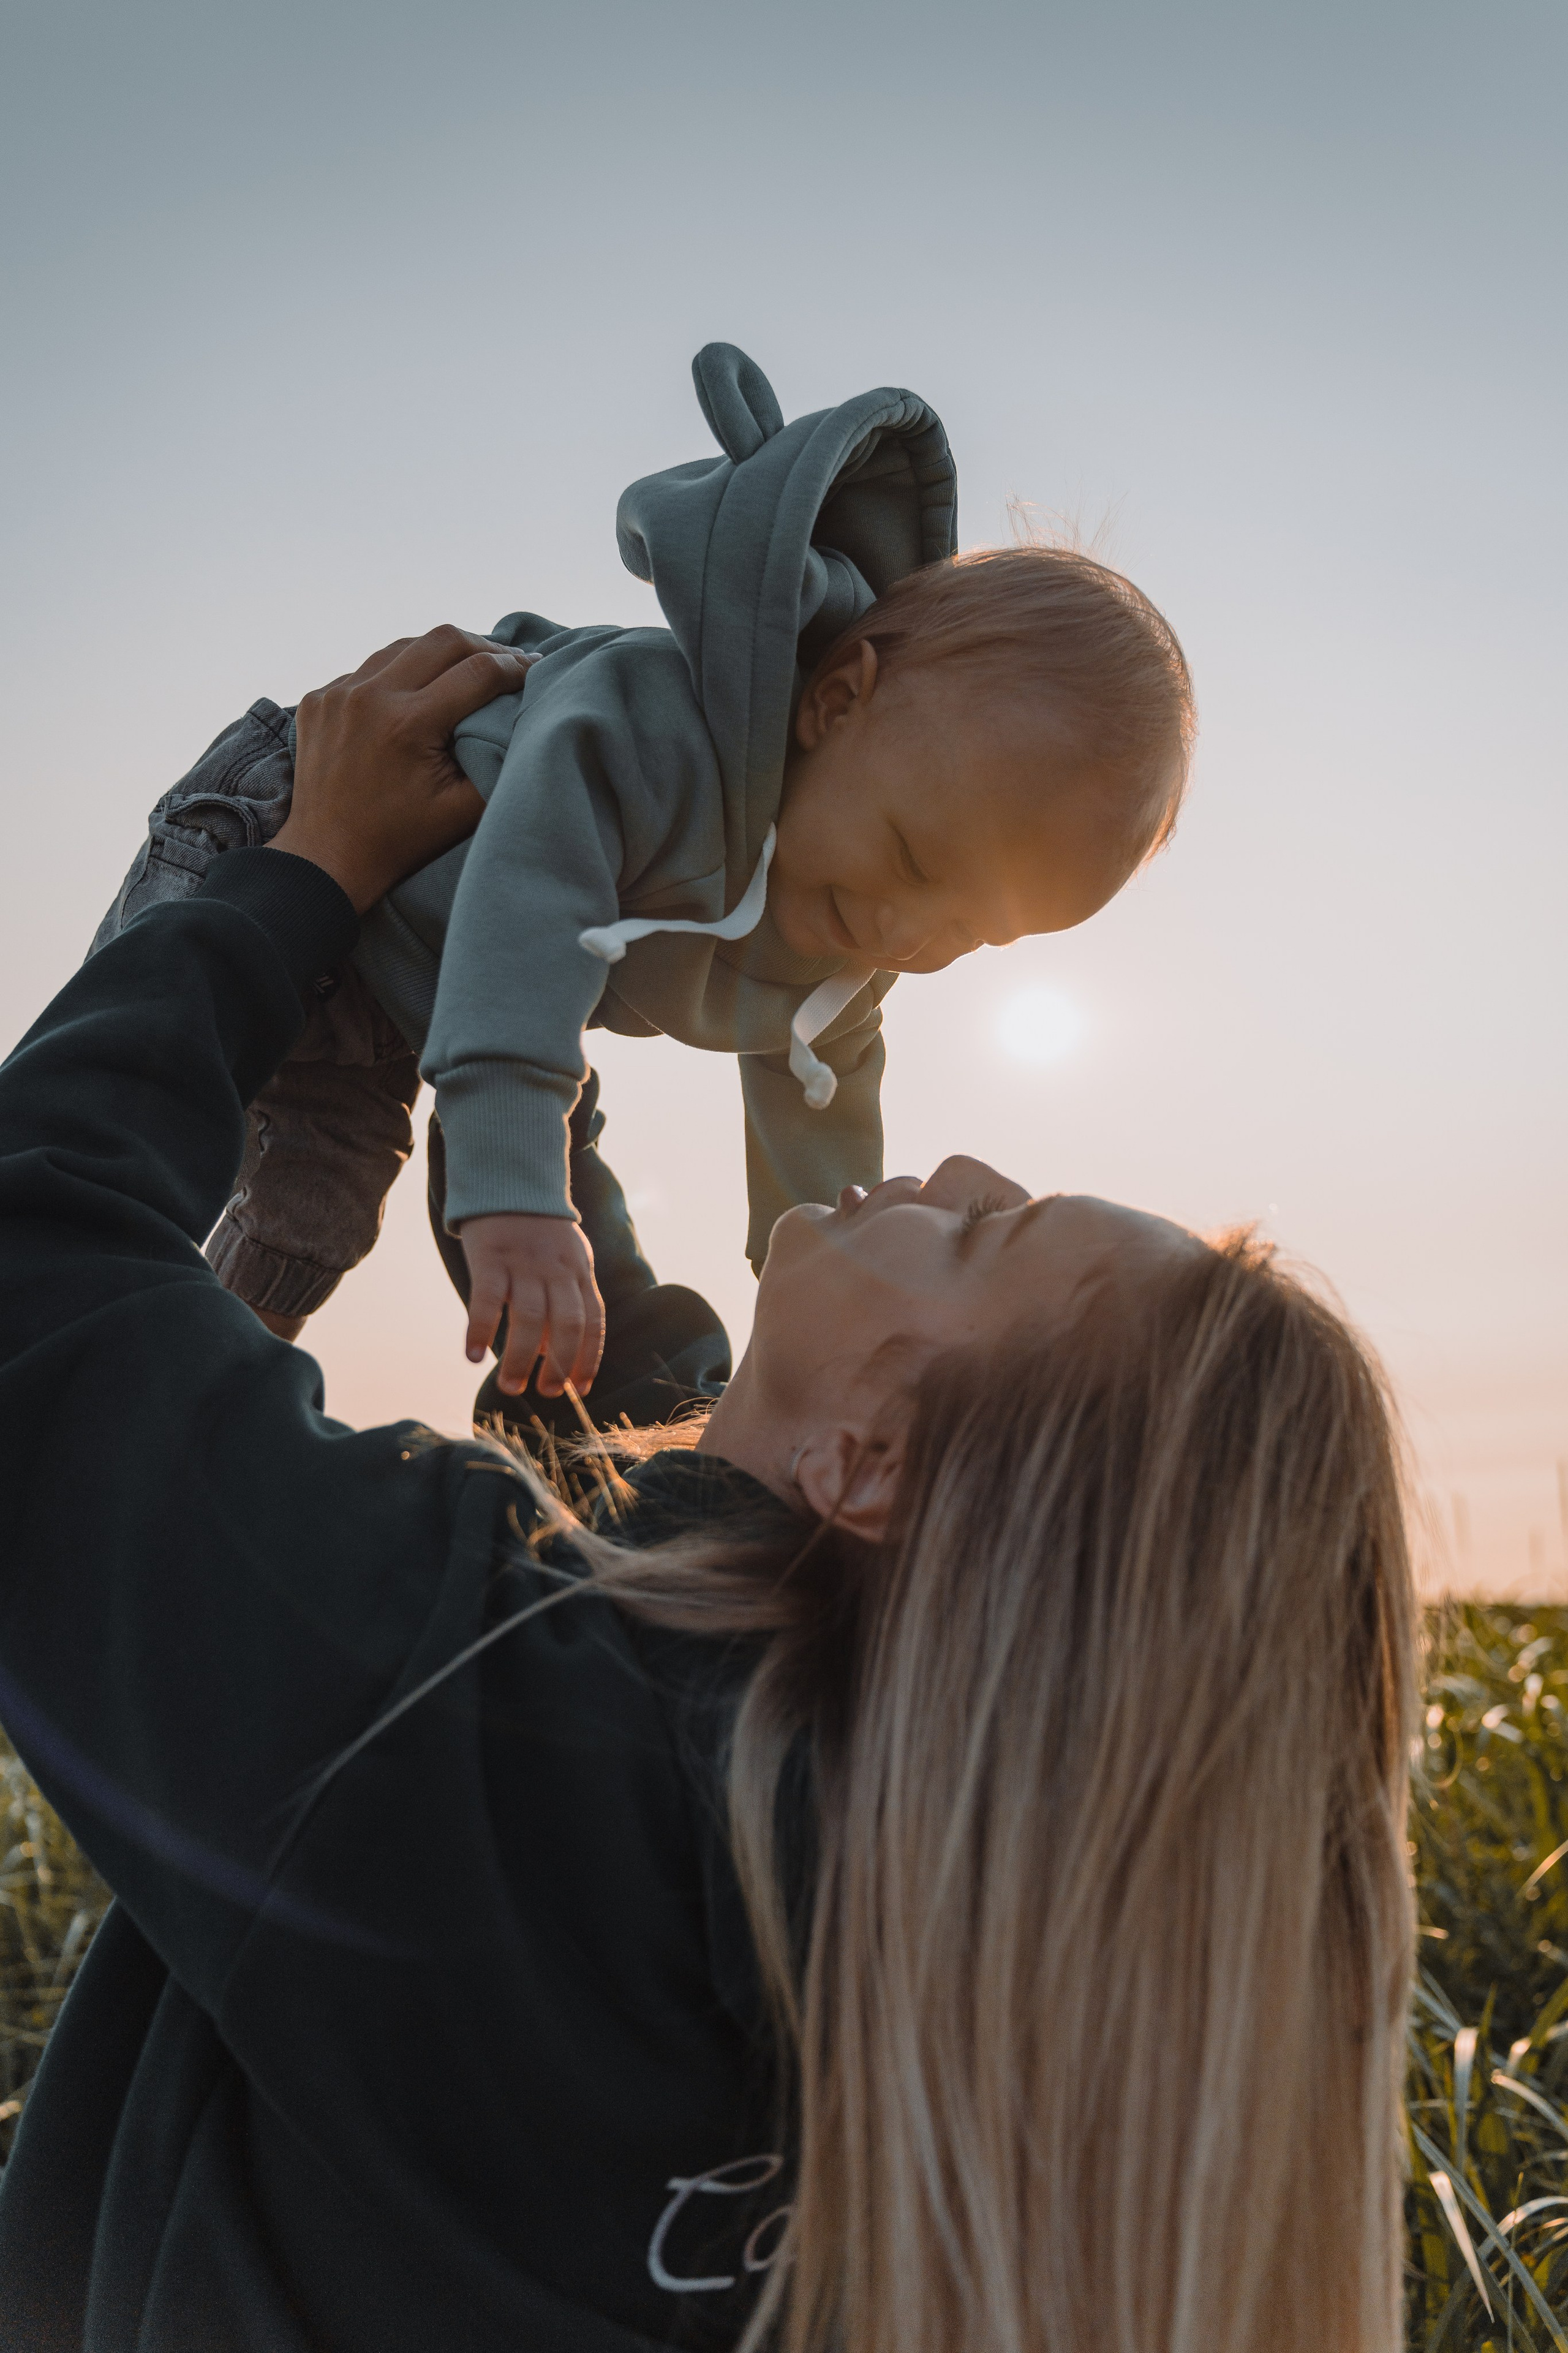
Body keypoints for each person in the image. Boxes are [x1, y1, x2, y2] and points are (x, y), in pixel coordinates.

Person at [0, 630, 1416, 2353]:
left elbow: (37, 1273)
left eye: (991, 1227)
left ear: (874, 1460)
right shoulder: (961, 1931)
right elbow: (678, 1492)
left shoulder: (464, 1712)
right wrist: (514, 1077)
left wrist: (299, 880)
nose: (960, 1162)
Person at [89, 344, 1195, 1418]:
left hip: (393, 1002)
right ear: (839, 701)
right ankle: (53, 1304)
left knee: (305, 1226)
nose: (914, 934)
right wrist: (520, 1183)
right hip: (291, 820)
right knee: (131, 1120)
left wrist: (818, 1295)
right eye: (915, 860)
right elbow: (532, 898)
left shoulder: (853, 951)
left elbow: (821, 1121)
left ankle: (134, 1419)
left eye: (979, 935)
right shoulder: (653, 725)